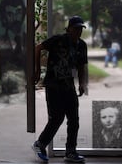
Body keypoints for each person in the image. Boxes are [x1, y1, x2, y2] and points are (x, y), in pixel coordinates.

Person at [32, 16, 88, 163]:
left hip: (69, 86)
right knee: (57, 118)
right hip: (53, 85)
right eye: (75, 28)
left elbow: (82, 66)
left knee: (74, 119)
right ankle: (40, 144)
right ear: (68, 28)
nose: (78, 31)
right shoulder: (58, 40)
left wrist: (82, 84)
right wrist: (37, 71)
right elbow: (38, 48)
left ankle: (70, 151)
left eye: (80, 29)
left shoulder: (82, 45)